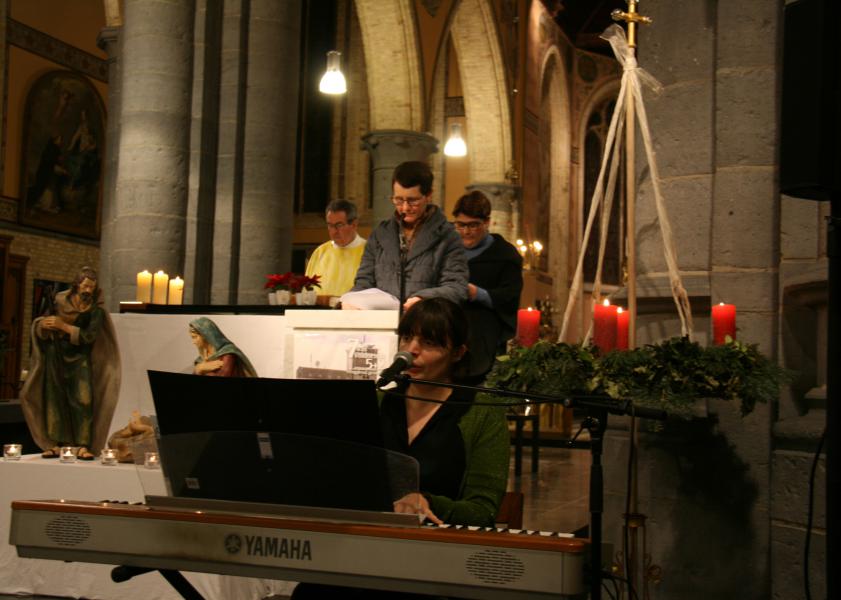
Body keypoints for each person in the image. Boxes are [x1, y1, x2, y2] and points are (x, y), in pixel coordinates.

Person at [291, 298, 510, 599]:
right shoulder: (379, 401)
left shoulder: (482, 411)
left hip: (437, 558)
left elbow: (482, 512)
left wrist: (429, 503)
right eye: (407, 338)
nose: (412, 350)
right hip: (367, 550)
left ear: (458, 353)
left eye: (430, 342)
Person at [20, 267, 120, 460]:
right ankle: (56, 443)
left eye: (91, 287)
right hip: (55, 356)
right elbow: (43, 323)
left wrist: (63, 326)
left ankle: (82, 444)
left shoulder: (95, 311)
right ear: (76, 285)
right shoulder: (59, 301)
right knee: (55, 398)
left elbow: (89, 336)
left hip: (79, 358)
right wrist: (44, 326)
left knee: (83, 399)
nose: (88, 291)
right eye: (85, 286)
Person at [347, 161, 467, 311]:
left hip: (425, 323)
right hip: (384, 324)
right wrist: (351, 302)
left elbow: (456, 287)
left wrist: (422, 299)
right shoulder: (379, 234)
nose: (405, 208)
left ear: (429, 195)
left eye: (413, 200)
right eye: (398, 200)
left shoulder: (448, 236)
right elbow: (364, 281)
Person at [453, 190, 523, 376]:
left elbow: (510, 296)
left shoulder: (505, 255)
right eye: (461, 225)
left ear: (487, 222)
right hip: (449, 330)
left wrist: (478, 294)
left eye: (473, 225)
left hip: (484, 334)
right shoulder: (448, 251)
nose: (466, 232)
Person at [304, 199, 366, 298]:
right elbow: (306, 291)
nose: (333, 231)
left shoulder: (369, 252)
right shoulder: (320, 252)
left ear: (354, 224)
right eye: (330, 225)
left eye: (339, 225)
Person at [189, 317, 257, 377]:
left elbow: (223, 376)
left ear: (205, 335)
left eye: (194, 337)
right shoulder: (201, 359)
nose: (194, 342)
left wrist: (201, 369)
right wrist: (199, 369)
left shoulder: (228, 353)